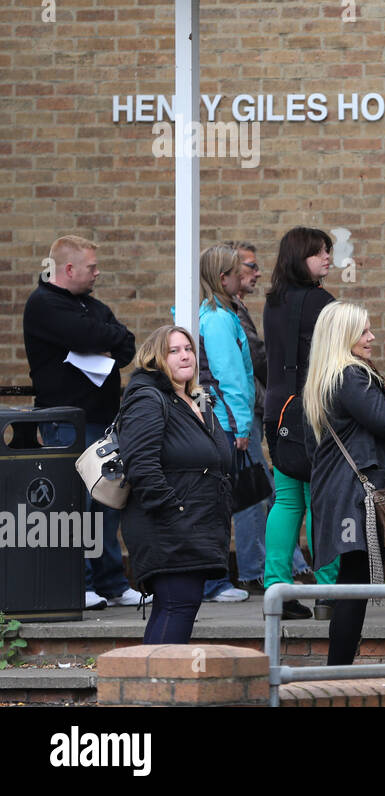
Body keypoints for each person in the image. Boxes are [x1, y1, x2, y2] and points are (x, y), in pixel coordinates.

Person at [23, 235, 147, 610]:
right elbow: (87, 334)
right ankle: (81, 583)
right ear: (70, 269)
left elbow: (125, 344)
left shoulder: (91, 305)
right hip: (67, 422)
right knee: (77, 505)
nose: (98, 272)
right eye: (91, 267)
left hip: (103, 422)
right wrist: (99, 340)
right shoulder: (44, 304)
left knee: (108, 502)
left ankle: (111, 582)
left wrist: (103, 341)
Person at [303, 301, 385, 666]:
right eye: (364, 332)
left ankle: (338, 668)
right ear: (344, 336)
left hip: (340, 490)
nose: (370, 337)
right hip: (355, 495)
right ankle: (337, 672)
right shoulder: (350, 376)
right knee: (353, 586)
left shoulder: (330, 375)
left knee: (352, 585)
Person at [118, 325, 234, 643]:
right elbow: (141, 465)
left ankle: (150, 686)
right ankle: (155, 687)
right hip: (168, 527)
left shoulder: (196, 399)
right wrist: (176, 511)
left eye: (188, 349)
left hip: (196, 526)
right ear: (156, 358)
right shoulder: (148, 398)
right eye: (174, 350)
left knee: (178, 607)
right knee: (176, 606)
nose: (185, 355)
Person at [263, 227, 340, 619]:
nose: (327, 257)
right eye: (319, 252)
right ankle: (327, 590)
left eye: (328, 250)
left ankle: (275, 589)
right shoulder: (322, 302)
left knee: (288, 500)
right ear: (299, 257)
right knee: (320, 501)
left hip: (276, 411)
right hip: (312, 412)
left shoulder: (272, 301)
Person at [226, 241, 309, 591]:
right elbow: (247, 365)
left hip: (252, 411)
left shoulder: (238, 309)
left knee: (269, 491)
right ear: (228, 272)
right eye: (250, 266)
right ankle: (257, 571)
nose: (257, 272)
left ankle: (290, 565)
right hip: (242, 417)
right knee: (256, 493)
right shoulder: (224, 314)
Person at [193, 245, 253, 603]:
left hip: (221, 421)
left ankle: (212, 581)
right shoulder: (217, 319)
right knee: (217, 504)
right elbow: (230, 377)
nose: (242, 277)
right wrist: (242, 427)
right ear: (222, 279)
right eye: (236, 271)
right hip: (225, 425)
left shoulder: (218, 313)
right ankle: (213, 583)